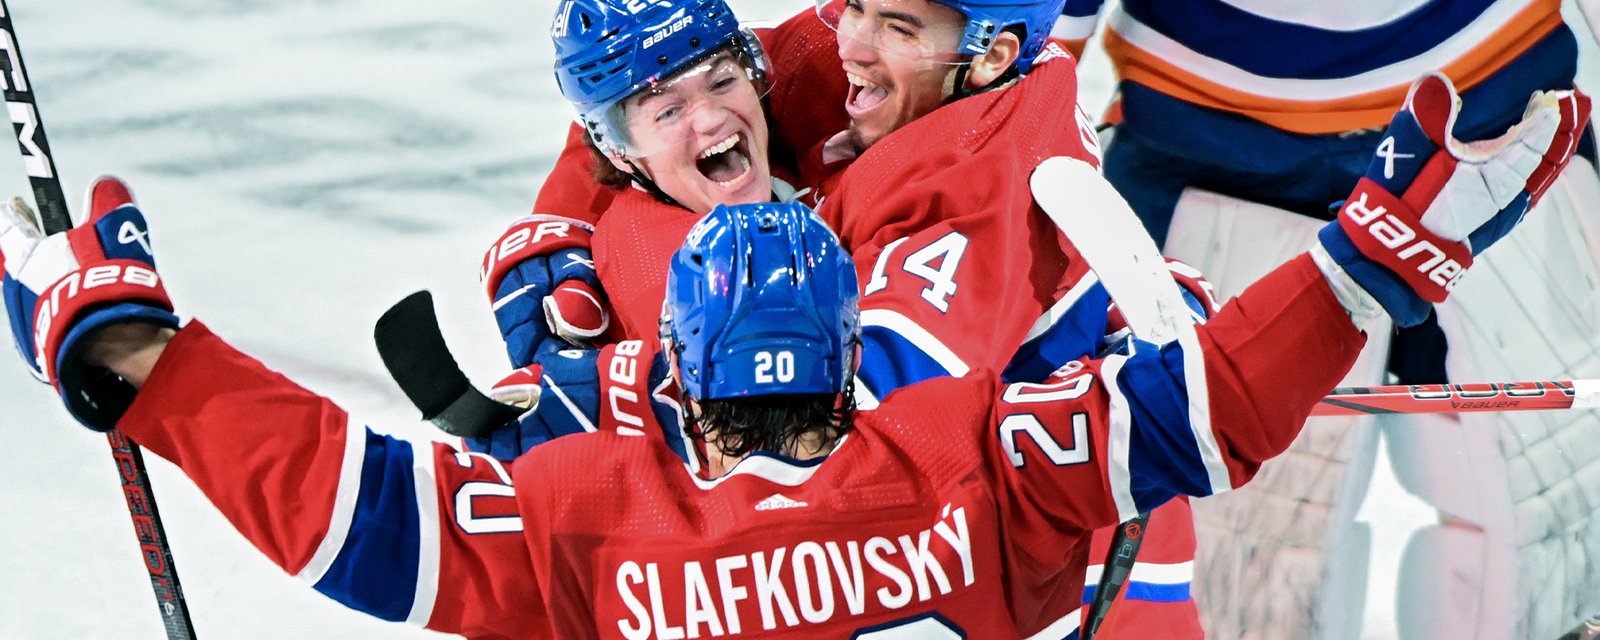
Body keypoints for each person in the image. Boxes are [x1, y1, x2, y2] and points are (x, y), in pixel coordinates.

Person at [0, 76, 1581, 635]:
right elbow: (1209, 410)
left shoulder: (596, 528)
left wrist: (140, 357)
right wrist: (1376, 258)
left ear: (673, 374)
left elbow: (351, 518)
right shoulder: (972, 457)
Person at [500, 0, 1208, 634]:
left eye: (894, 26)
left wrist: (611, 392)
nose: (850, 43)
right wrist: (557, 227)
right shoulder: (912, 57)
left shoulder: (989, 175)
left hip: (1063, 584)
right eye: (857, 3)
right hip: (917, 557)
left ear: (991, 55)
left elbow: (832, 414)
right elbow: (657, 77)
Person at [1054, 1, 1600, 637]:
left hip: (1498, 127)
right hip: (1215, 152)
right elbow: (1025, 41)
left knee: (1551, 535)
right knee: (1236, 568)